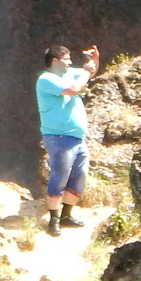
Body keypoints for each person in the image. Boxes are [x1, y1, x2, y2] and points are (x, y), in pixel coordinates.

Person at [36, 43, 98, 235]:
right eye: (67, 59)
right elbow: (74, 89)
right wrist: (86, 72)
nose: (70, 62)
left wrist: (94, 59)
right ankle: (53, 220)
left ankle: (66, 216)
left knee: (79, 177)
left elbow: (91, 72)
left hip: (77, 138)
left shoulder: (68, 73)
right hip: (58, 138)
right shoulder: (46, 79)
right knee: (59, 177)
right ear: (55, 60)